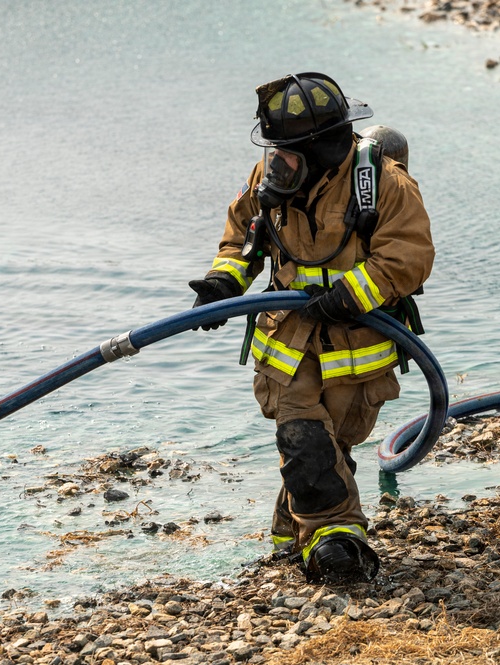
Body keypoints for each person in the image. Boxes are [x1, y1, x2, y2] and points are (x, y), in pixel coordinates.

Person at [189, 73, 434, 584]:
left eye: (291, 152)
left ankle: (289, 539)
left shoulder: (384, 185)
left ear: (325, 146)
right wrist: (222, 283)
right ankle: (339, 545)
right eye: (277, 151)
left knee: (330, 449)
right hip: (287, 345)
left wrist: (351, 296)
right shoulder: (270, 174)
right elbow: (241, 238)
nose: (279, 163)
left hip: (358, 348)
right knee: (302, 439)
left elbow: (408, 257)